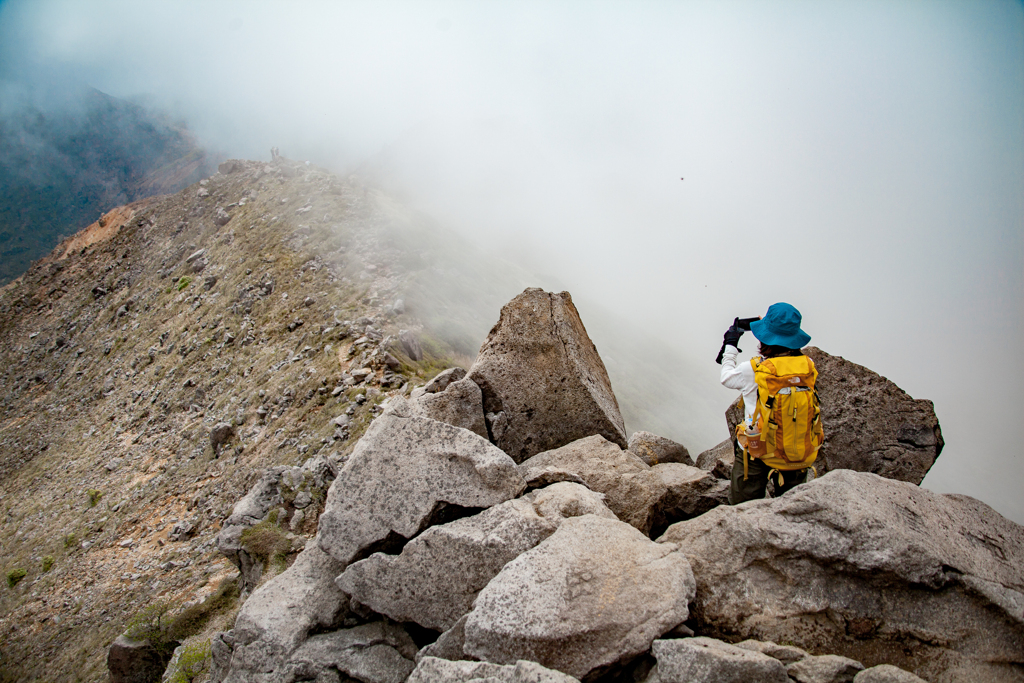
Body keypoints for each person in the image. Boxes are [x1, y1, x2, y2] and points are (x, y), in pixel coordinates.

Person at [720, 302, 822, 504]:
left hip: (758, 448)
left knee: (743, 505)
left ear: (764, 336)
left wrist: (730, 346)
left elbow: (726, 377)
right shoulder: (807, 366)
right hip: (796, 448)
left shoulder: (755, 369)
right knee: (793, 506)